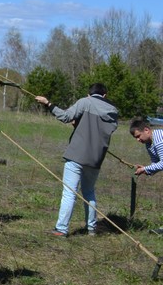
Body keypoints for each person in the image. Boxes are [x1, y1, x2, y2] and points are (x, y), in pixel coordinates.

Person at [34, 84, 118, 238]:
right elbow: (103, 130)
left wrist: (48, 103)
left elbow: (65, 117)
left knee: (69, 192)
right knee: (89, 192)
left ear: (89, 94)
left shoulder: (85, 102)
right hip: (96, 159)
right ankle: (91, 228)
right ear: (105, 95)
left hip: (76, 155)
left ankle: (61, 229)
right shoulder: (114, 111)